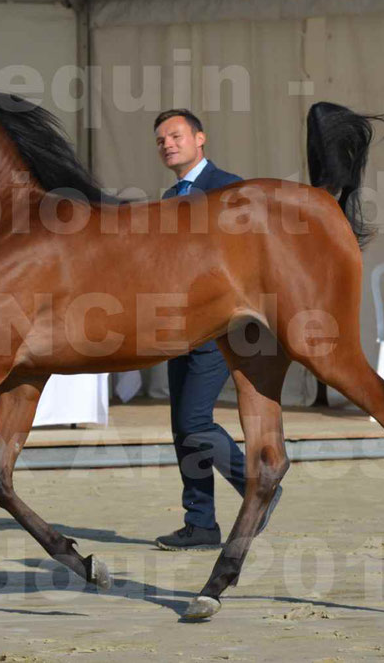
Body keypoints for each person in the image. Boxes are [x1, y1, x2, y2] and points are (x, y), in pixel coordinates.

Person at [151, 109, 282, 551]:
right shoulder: (170, 196)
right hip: (175, 326)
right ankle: (200, 523)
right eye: (161, 140)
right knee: (181, 429)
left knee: (194, 421)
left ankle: (261, 487)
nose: (168, 144)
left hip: (217, 325)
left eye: (176, 135)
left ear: (200, 138)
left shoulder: (229, 188)